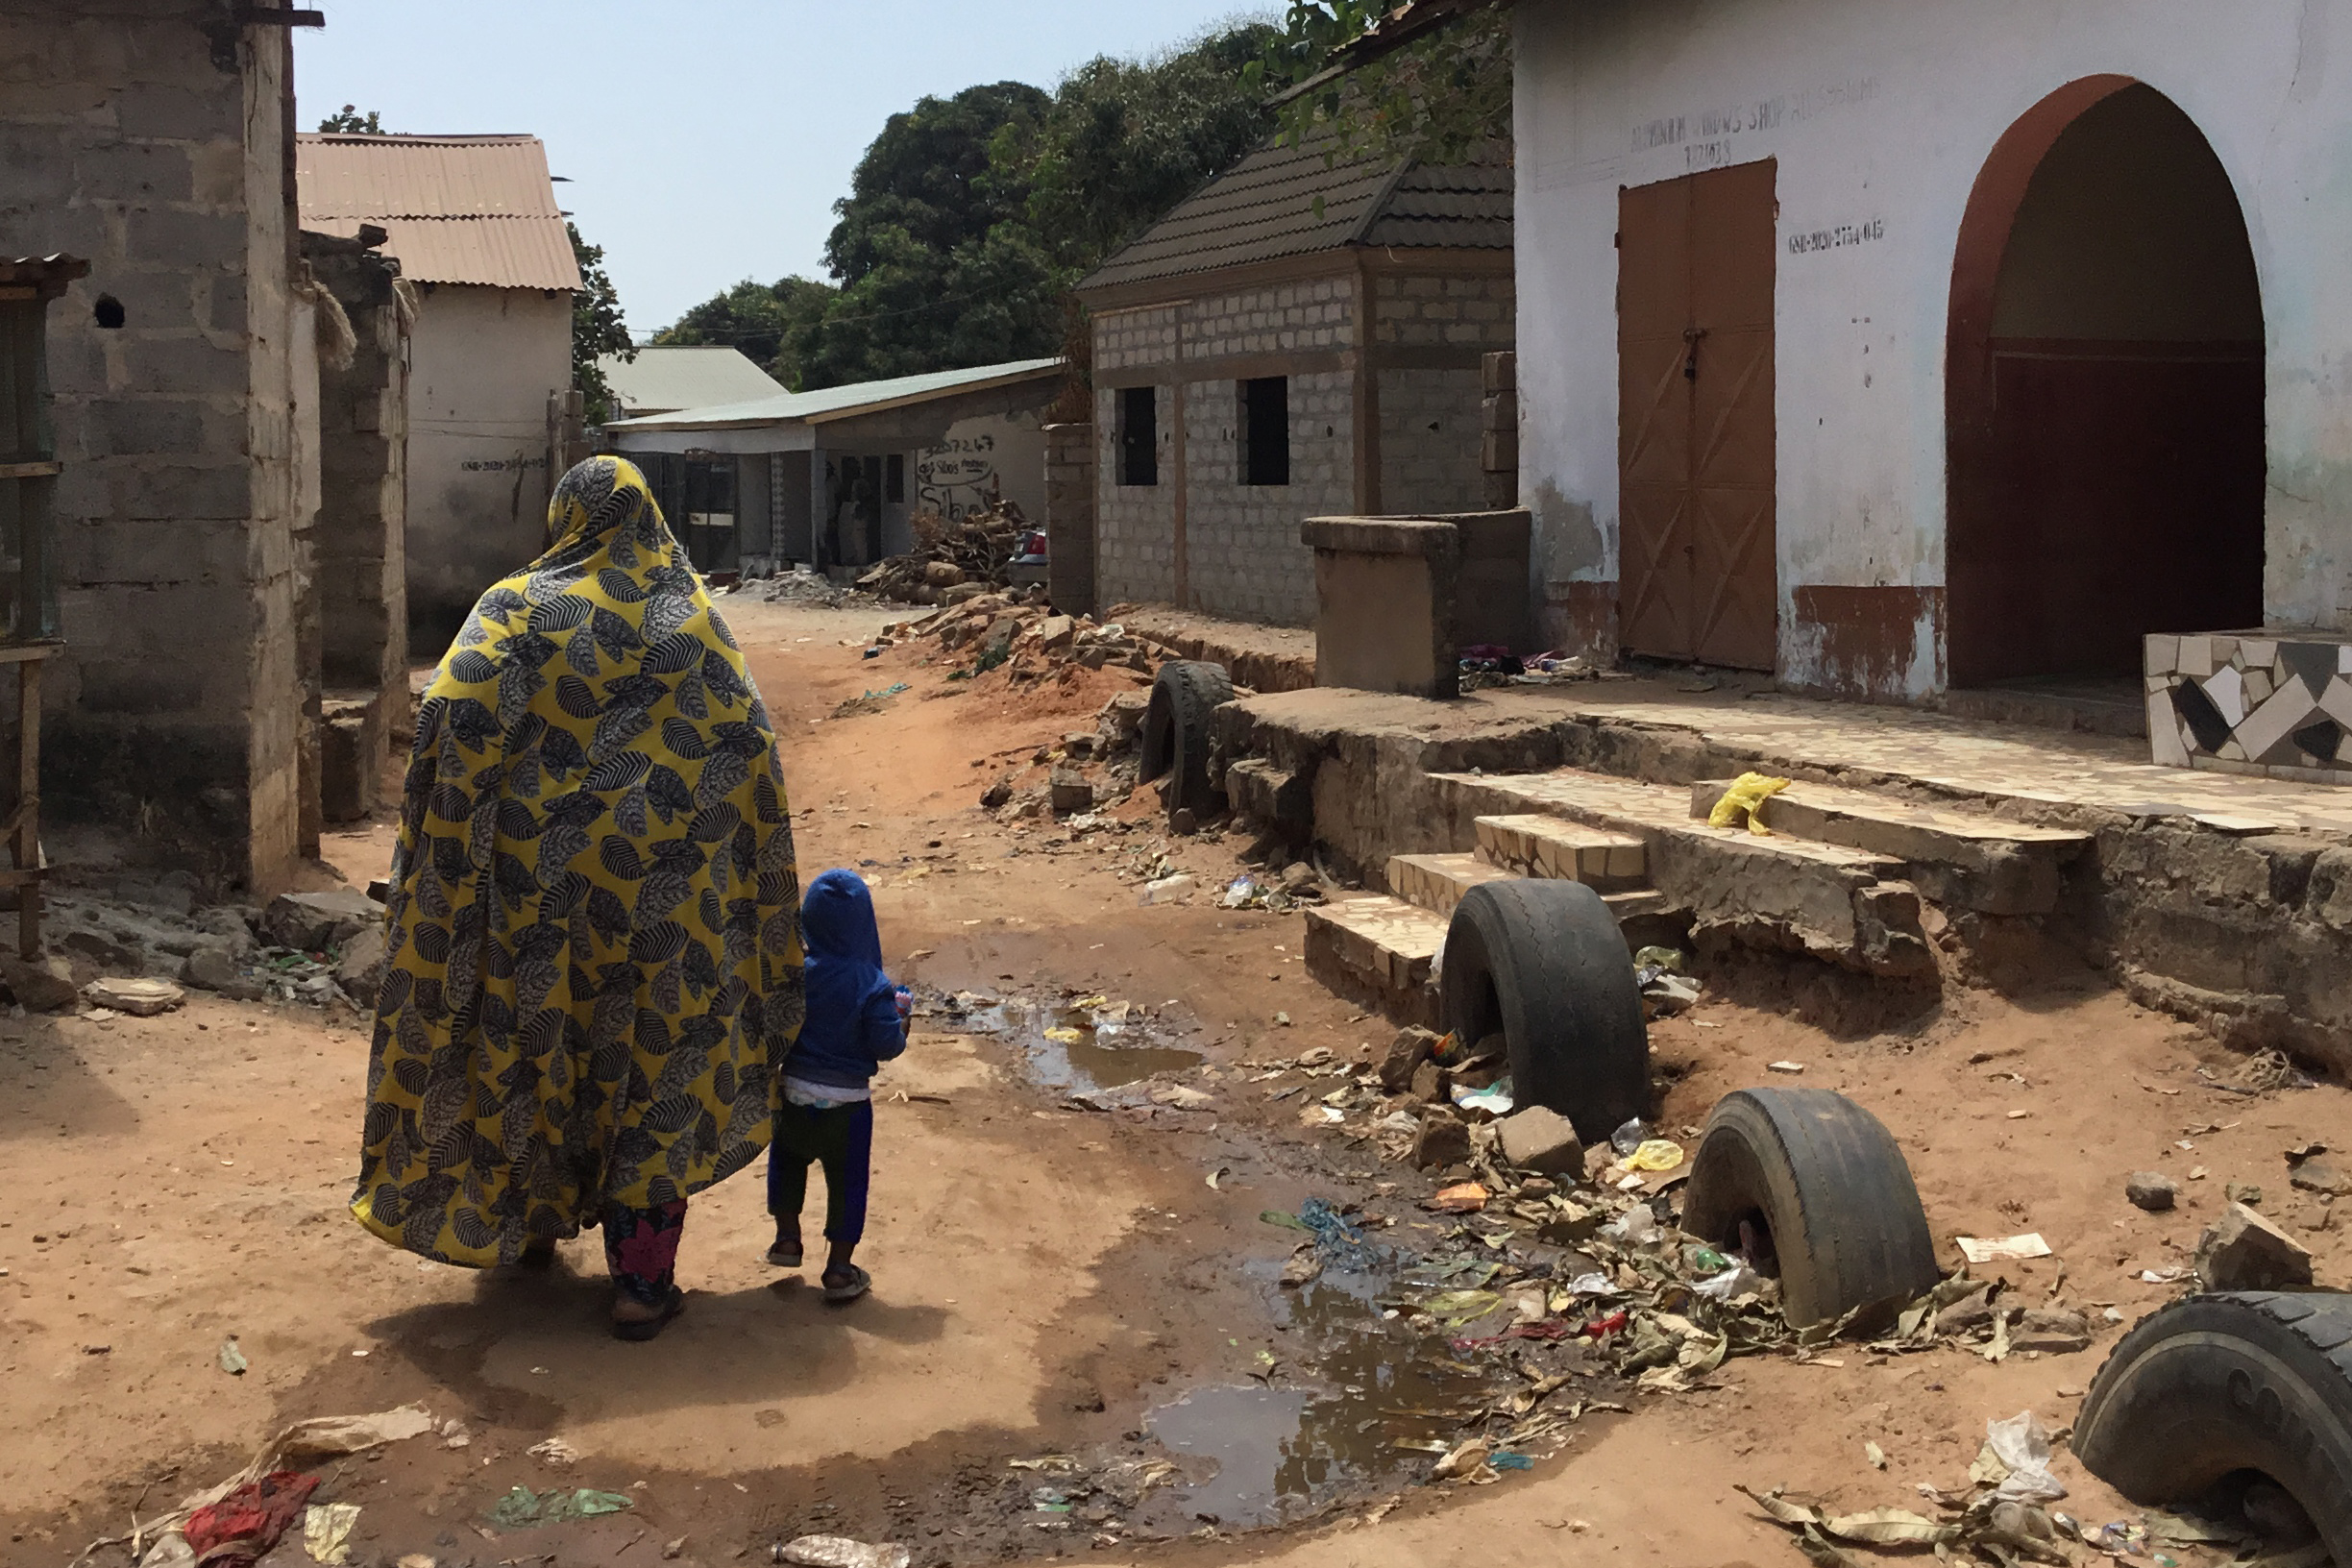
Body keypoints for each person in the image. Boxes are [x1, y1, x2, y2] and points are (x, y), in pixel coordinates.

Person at [351, 455, 805, 1341]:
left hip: (534, 895)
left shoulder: (517, 608)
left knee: (529, 1047)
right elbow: (748, 745)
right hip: (667, 905)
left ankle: (517, 1225)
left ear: (565, 518)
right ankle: (641, 1285)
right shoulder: (693, 618)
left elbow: (450, 723)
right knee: (656, 1068)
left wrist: (454, 851)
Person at [768, 869, 906, 1303]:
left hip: (793, 1092)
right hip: (848, 1107)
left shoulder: (796, 973)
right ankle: (840, 1270)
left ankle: (787, 1239)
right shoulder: (873, 984)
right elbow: (886, 1046)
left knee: (787, 1162)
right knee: (848, 1183)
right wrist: (902, 1020)